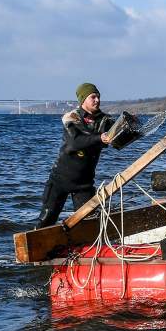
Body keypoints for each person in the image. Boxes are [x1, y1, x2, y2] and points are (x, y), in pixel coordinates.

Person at [34, 83, 113, 229]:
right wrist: (100, 138)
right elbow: (74, 142)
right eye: (93, 97)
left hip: (84, 184)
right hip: (60, 179)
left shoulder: (105, 120)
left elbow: (118, 137)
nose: (97, 100)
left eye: (98, 97)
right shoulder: (71, 117)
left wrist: (129, 128)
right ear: (83, 100)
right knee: (46, 220)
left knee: (90, 224)